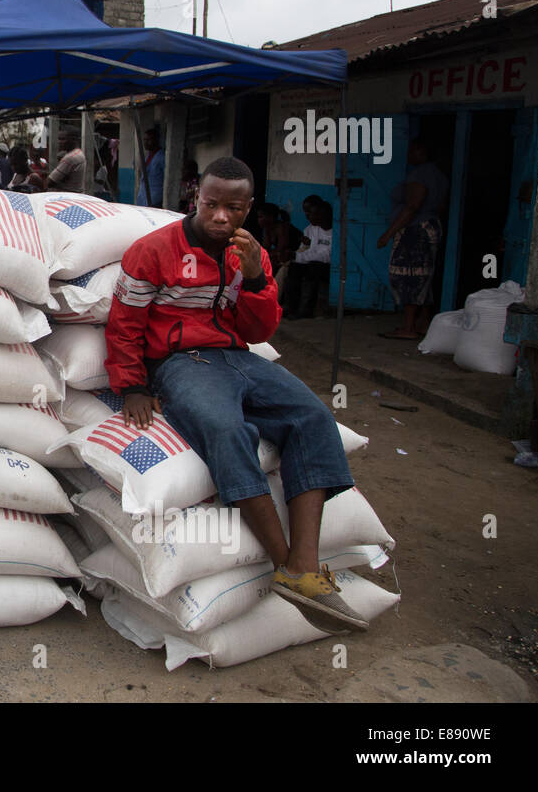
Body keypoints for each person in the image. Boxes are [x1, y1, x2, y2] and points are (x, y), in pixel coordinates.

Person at [106, 155, 368, 633]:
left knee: (313, 417)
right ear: (196, 200)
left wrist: (255, 278)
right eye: (211, 204)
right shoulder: (153, 250)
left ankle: (303, 568)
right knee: (227, 430)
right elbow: (125, 323)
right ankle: (284, 561)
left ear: (249, 207)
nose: (221, 217)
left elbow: (260, 328)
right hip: (181, 363)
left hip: (238, 357)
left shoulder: (252, 254)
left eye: (234, 207)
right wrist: (132, 385)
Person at [378, 139, 450, 340]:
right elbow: (441, 207)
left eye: (411, 151)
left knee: (408, 277)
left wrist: (388, 234)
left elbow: (412, 206)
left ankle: (408, 327)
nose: (408, 155)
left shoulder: (420, 175)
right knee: (424, 276)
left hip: (415, 232)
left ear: (420, 152)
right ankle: (423, 323)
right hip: (431, 228)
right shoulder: (440, 176)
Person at [282, 197, 334, 319]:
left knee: (313, 268)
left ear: (323, 215)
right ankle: (290, 307)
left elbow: (326, 256)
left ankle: (305, 310)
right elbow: (310, 251)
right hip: (312, 261)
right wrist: (296, 257)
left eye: (311, 213)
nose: (307, 216)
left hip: (327, 266)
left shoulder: (335, 232)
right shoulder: (311, 229)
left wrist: (298, 256)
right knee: (294, 268)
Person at [135, 128, 165, 208]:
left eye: (149, 140)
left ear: (156, 140)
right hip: (143, 198)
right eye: (145, 140)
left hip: (154, 200)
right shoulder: (148, 156)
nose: (146, 143)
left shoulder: (161, 157)